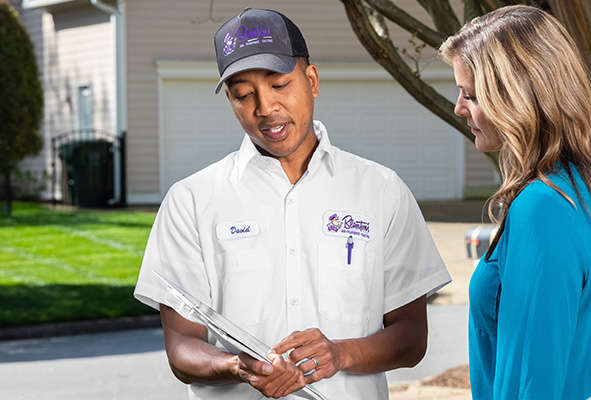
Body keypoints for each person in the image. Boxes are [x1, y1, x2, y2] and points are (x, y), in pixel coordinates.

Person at [134, 8, 451, 400]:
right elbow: (181, 347)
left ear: (312, 80)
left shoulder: (382, 191)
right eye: (243, 94)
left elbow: (411, 337)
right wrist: (240, 366)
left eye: (279, 84)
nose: (265, 108)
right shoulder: (191, 201)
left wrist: (341, 353)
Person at [439, 5, 591, 399]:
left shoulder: (544, 207)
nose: (458, 107)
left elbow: (533, 381)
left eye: (470, 94)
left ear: (517, 94)